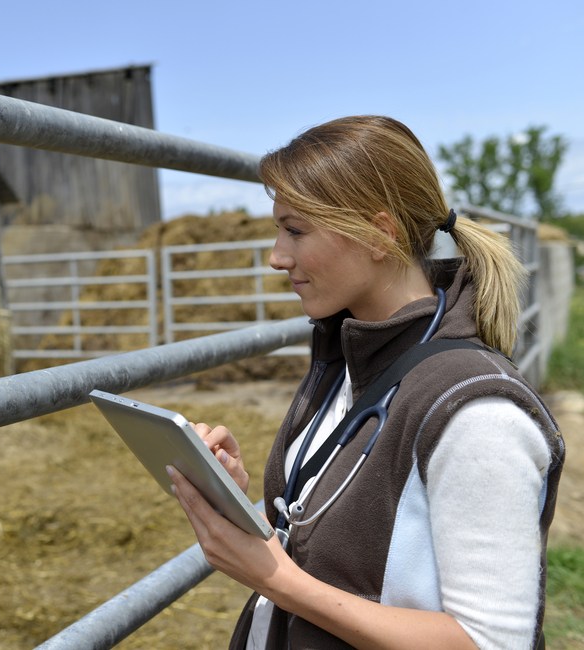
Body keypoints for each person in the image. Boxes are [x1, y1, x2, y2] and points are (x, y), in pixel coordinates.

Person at [167, 115, 564, 649]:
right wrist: (244, 502)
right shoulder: (349, 357)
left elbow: (491, 643)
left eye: (295, 230)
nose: (276, 257)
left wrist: (273, 579)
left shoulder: (478, 412)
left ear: (380, 233)